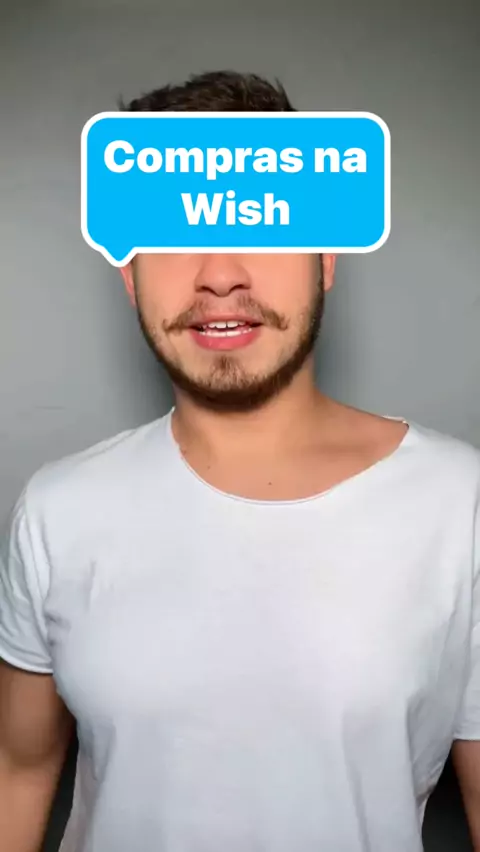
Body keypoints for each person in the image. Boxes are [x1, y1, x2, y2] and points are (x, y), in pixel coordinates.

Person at [0, 70, 479, 852]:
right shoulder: (56, 510)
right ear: (129, 273)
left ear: (326, 258)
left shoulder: (460, 504)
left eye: (263, 221)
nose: (220, 273)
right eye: (177, 230)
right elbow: (19, 772)